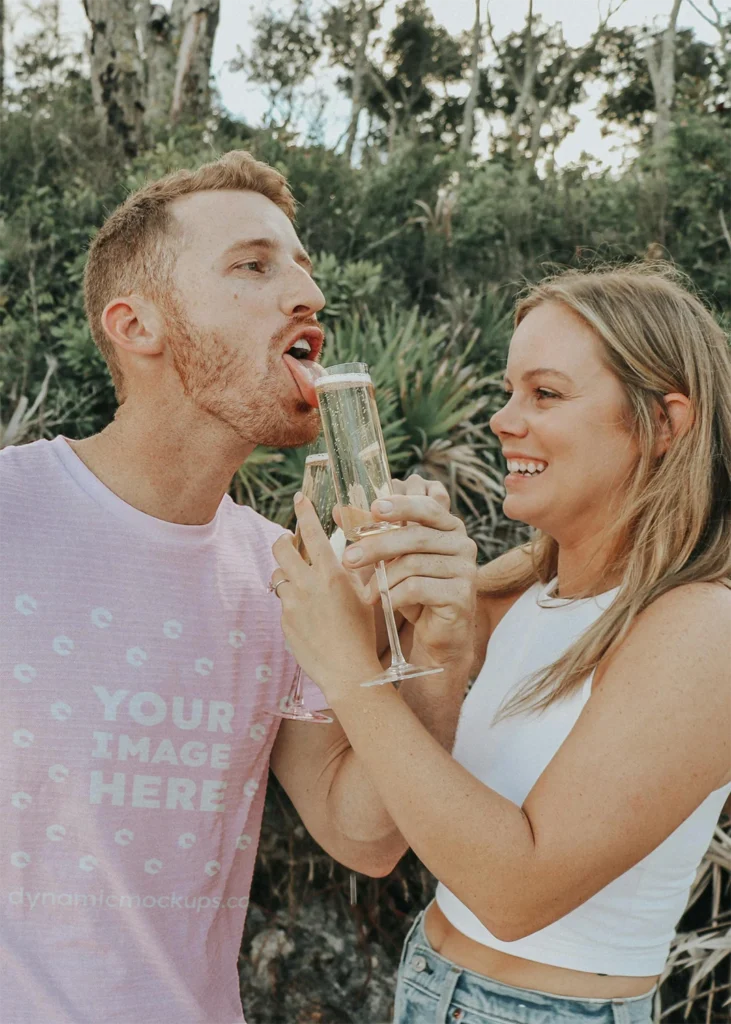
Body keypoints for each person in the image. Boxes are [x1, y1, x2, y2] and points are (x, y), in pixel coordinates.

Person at [0, 150, 477, 1024]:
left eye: (302, 267)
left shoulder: (282, 576)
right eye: (254, 266)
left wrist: (441, 651)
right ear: (136, 324)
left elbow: (362, 836)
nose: (307, 295)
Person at [272, 265, 731, 1024]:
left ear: (663, 424)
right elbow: (364, 831)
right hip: (427, 978)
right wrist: (425, 636)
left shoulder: (701, 627)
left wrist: (350, 669)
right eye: (509, 390)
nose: (502, 420)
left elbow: (515, 892)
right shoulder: (519, 587)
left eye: (544, 393)